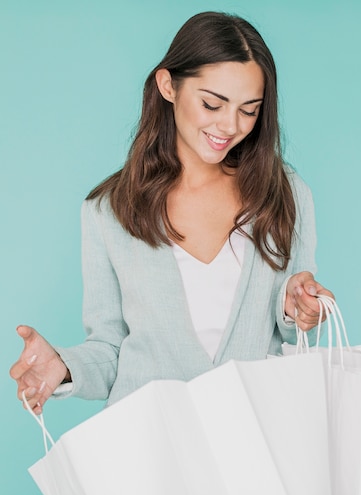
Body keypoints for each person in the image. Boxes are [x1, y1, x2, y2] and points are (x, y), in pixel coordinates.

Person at [10, 12, 332, 414]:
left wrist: (301, 309)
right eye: (212, 103)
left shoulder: (286, 194)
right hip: (149, 450)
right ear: (168, 86)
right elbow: (111, 349)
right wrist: (64, 366)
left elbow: (293, 323)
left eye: (249, 110)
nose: (229, 125)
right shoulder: (107, 211)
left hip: (252, 441)